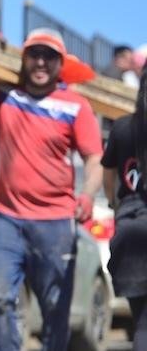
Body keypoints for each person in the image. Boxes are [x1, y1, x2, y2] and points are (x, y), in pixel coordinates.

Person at [0, 28, 103, 351]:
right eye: (34, 54)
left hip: (55, 225)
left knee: (55, 309)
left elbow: (94, 158)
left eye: (49, 57)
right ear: (23, 58)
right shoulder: (6, 94)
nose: (40, 62)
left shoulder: (75, 106)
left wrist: (88, 194)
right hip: (7, 220)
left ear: (59, 64)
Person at [103, 69, 147, 350]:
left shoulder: (121, 128)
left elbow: (108, 180)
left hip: (130, 235)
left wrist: (117, 206)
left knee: (142, 321)